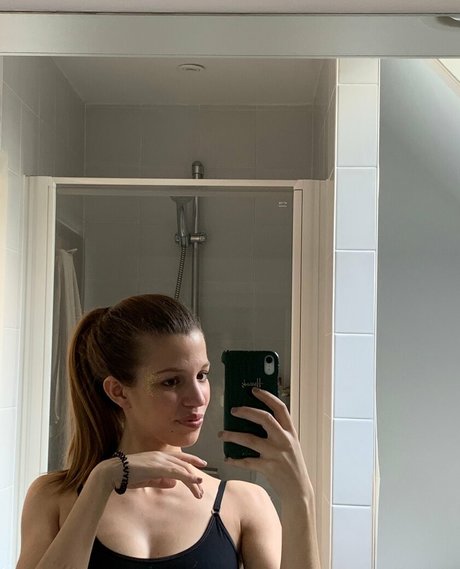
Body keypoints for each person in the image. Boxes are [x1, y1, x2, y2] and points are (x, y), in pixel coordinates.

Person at [16, 294, 320, 569]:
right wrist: (102, 480)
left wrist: (300, 497)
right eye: (171, 381)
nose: (198, 398)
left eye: (202, 375)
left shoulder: (244, 503)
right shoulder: (54, 498)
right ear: (118, 391)